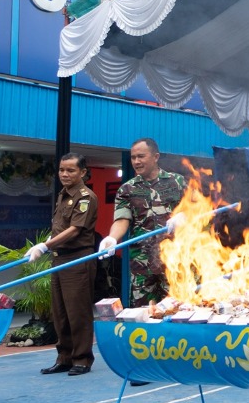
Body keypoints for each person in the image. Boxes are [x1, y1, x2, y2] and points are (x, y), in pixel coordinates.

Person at [29, 153, 99, 376]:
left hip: (77, 258)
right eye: (62, 170)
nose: (65, 174)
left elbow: (75, 230)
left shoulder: (86, 197)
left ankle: (82, 359)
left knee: (77, 312)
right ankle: (64, 357)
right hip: (59, 258)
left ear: (82, 173)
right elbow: (60, 228)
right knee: (60, 313)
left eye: (71, 170)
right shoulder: (63, 195)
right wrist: (49, 247)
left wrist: (44, 245)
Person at [99, 138, 186, 306]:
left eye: (141, 156)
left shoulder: (178, 182)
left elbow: (198, 209)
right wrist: (111, 238)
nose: (136, 162)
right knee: (143, 313)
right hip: (142, 264)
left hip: (175, 260)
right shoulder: (127, 189)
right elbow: (122, 219)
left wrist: (185, 216)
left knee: (179, 310)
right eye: (133, 158)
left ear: (156, 157)